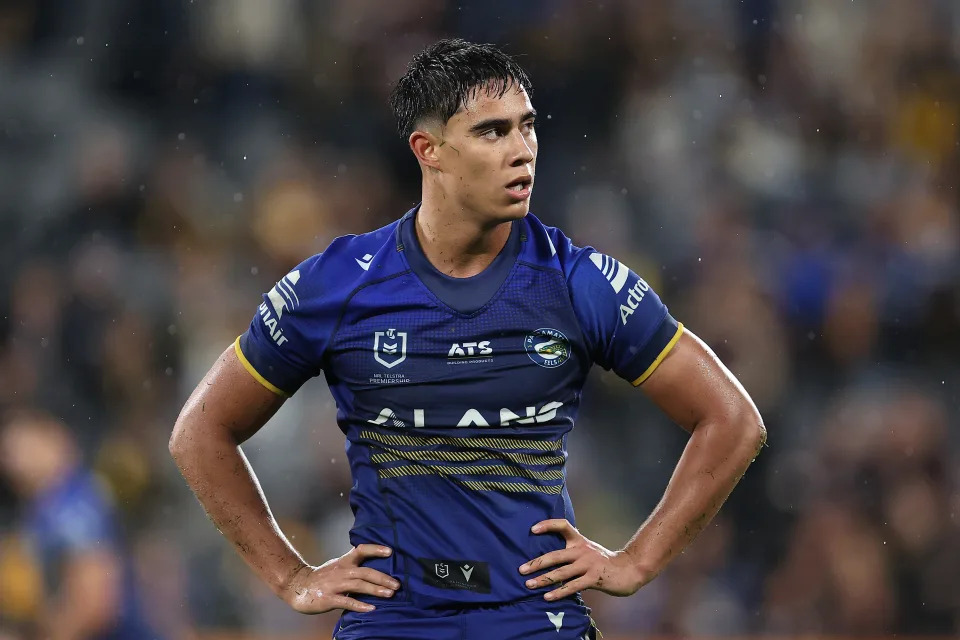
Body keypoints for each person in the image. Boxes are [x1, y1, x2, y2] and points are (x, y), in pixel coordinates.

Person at [169, 38, 766, 639]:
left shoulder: (578, 283)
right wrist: (290, 577)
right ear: (428, 150)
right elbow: (200, 432)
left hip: (536, 621)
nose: (522, 151)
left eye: (527, 127)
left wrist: (636, 561)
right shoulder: (338, 285)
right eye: (492, 132)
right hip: (393, 623)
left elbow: (732, 420)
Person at [0, 410, 161, 640]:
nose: (17, 462)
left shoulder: (73, 504)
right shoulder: (44, 507)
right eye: (8, 454)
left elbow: (96, 602)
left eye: (27, 448)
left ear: (58, 440)